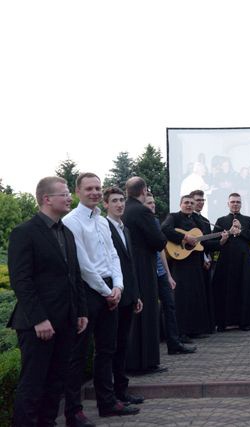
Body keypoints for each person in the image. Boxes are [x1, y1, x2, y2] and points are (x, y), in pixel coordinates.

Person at [8, 177, 88, 427]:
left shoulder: (67, 232)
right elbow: (22, 281)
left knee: (56, 382)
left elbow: (74, 276)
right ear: (46, 199)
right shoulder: (24, 232)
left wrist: (81, 311)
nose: (69, 198)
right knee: (33, 384)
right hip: (37, 324)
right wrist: (39, 319)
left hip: (66, 320)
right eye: (64, 194)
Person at [62, 173, 139, 425]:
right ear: (78, 192)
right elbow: (83, 265)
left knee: (107, 349)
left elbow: (113, 257)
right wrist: (107, 293)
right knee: (79, 354)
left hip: (110, 289)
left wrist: (118, 286)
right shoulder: (71, 221)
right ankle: (74, 412)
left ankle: (107, 403)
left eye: (98, 188)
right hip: (87, 292)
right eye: (89, 189)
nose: (95, 192)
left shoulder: (103, 222)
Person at [162, 195, 227, 338]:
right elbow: (165, 229)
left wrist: (221, 242)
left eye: (192, 203)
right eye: (186, 202)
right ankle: (181, 332)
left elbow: (202, 243)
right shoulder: (173, 217)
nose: (189, 205)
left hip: (195, 265)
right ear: (180, 204)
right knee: (181, 297)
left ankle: (194, 330)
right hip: (180, 264)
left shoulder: (196, 221)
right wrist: (185, 238)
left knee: (195, 296)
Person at [103, 187, 145, 407]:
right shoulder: (103, 227)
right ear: (106, 205)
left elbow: (129, 266)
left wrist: (136, 294)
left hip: (128, 296)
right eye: (114, 201)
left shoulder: (124, 228)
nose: (120, 204)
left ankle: (122, 391)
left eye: (122, 200)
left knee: (122, 346)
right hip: (112, 297)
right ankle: (111, 394)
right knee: (110, 347)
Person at [122, 177, 168, 374]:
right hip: (143, 266)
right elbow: (158, 241)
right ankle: (145, 362)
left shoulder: (124, 209)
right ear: (143, 191)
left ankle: (132, 361)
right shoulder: (142, 211)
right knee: (147, 313)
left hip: (128, 265)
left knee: (133, 315)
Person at [144, 194, 196, 355]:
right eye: (148, 203)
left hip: (160, 272)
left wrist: (168, 275)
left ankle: (174, 344)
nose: (152, 206)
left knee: (170, 306)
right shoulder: (145, 222)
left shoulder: (155, 222)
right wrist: (184, 237)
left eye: (153, 203)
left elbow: (161, 251)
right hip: (147, 272)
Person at [211, 193, 250, 331]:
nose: (235, 204)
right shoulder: (221, 221)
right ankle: (223, 323)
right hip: (226, 262)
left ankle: (245, 322)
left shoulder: (248, 220)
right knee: (224, 290)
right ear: (228, 204)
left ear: (241, 204)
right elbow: (214, 242)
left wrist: (241, 230)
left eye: (238, 202)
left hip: (245, 262)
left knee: (245, 290)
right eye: (233, 202)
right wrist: (223, 238)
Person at [190, 189, 216, 332]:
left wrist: (209, 257)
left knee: (207, 293)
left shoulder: (205, 220)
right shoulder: (189, 218)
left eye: (202, 200)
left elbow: (207, 242)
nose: (200, 203)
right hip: (194, 262)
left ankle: (207, 325)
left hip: (206, 262)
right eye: (197, 200)